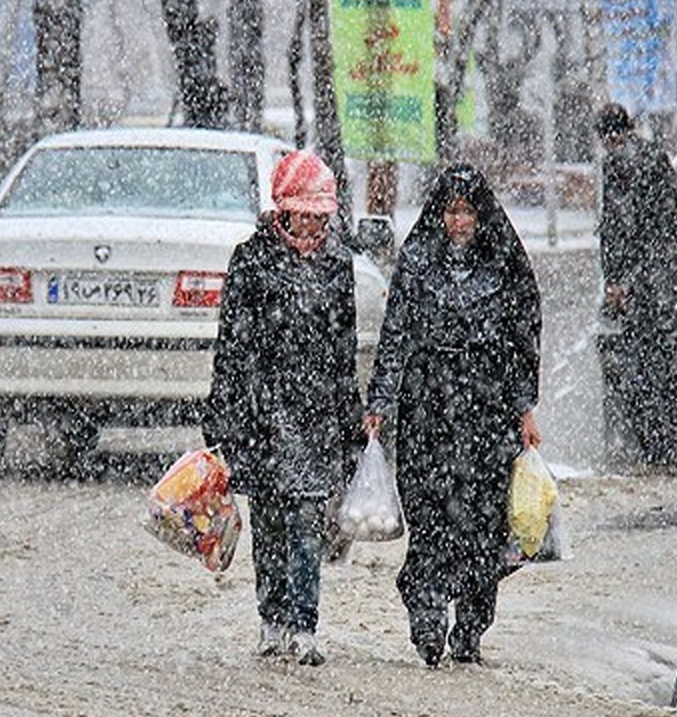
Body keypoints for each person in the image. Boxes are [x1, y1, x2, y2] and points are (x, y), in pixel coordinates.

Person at [363, 164, 542, 667]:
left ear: (481, 215)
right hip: (428, 408)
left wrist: (525, 407)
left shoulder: (504, 264)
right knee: (429, 515)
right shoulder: (417, 260)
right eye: (451, 210)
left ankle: (471, 625)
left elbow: (522, 340)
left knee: (483, 523)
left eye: (467, 211)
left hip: (487, 413)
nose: (458, 221)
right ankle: (426, 613)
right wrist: (379, 402)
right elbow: (395, 334)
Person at [202, 149, 363, 667]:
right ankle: (272, 621)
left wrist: (350, 418)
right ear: (284, 209)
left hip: (315, 412)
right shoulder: (250, 260)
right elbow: (230, 345)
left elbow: (344, 346)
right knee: (270, 521)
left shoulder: (339, 263)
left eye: (323, 214)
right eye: (306, 212)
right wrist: (222, 414)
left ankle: (305, 626)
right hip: (261, 411)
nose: (315, 224)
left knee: (308, 519)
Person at [593, 102, 677, 468]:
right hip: (671, 280)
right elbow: (672, 219)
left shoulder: (621, 164)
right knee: (673, 366)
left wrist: (618, 281)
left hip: (648, 286)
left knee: (639, 368)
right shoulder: (657, 157)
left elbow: (620, 228)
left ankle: (658, 447)